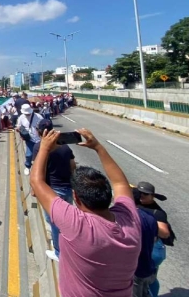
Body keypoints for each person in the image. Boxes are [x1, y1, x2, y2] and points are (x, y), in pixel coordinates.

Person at [30, 128, 141, 297]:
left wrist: (43, 148)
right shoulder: (129, 220)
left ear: (77, 198)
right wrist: (98, 148)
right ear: (109, 195)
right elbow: (120, 183)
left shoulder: (77, 225)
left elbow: (37, 182)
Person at [31, 119, 76, 262]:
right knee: (66, 221)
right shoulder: (66, 147)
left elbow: (37, 170)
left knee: (54, 222)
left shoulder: (39, 147)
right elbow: (73, 166)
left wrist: (35, 188)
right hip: (67, 189)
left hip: (51, 191)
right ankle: (66, 244)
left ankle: (58, 252)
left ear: (40, 132)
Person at [134, 182, 175, 297]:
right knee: (150, 278)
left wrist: (146, 221)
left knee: (143, 278)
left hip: (152, 250)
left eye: (145, 194)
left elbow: (165, 233)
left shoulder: (158, 212)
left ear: (152, 196)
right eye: (140, 193)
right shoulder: (136, 203)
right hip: (149, 248)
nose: (142, 196)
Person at [16, 103, 43, 175]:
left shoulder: (39, 117)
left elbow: (43, 126)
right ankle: (28, 166)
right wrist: (20, 131)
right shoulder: (21, 117)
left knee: (40, 155)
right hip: (29, 139)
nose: (27, 115)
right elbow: (18, 126)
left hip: (39, 139)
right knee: (29, 154)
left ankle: (39, 167)